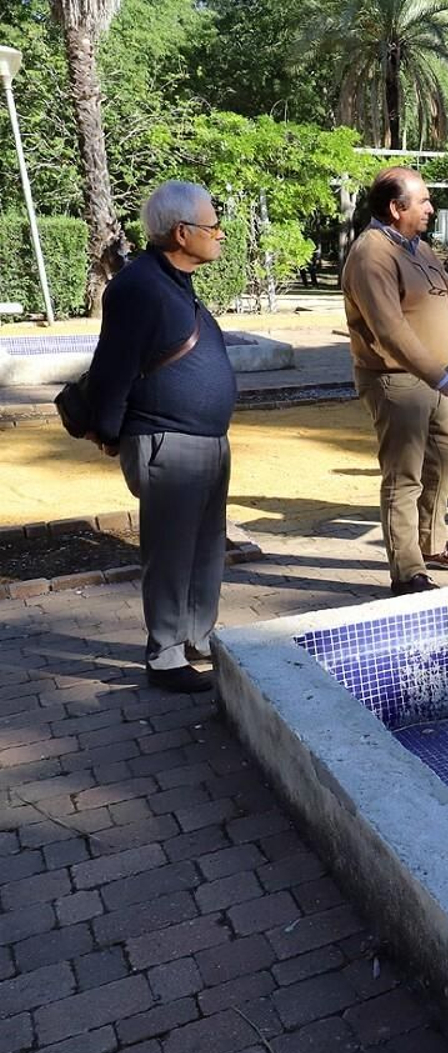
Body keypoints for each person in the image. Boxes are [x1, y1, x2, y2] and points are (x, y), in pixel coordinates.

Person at [81, 182, 235, 693]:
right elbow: (113, 368)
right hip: (168, 441)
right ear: (181, 232)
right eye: (212, 226)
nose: (220, 234)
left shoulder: (174, 281)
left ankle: (197, 637)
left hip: (206, 439)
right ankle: (165, 652)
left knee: (206, 546)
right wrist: (109, 430)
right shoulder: (138, 286)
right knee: (170, 550)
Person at [342, 166, 448, 595]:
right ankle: (408, 572)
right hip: (396, 381)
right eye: (424, 201)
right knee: (404, 476)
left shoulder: (420, 248)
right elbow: (390, 331)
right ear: (397, 209)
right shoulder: (371, 255)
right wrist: (443, 378)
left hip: (435, 382)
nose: (431, 208)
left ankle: (431, 543)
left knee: (446, 458)